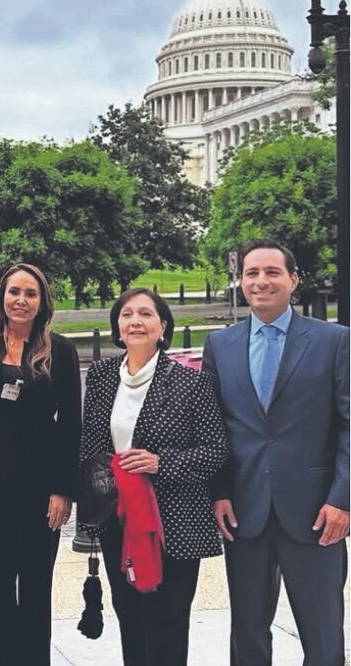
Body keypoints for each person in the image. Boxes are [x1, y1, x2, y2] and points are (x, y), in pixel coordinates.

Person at [202, 240, 349, 666]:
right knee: (247, 634)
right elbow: (214, 429)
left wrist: (342, 499)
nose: (261, 281)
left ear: (293, 280)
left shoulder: (334, 341)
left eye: (272, 272)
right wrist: (219, 492)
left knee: (322, 635)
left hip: (317, 514)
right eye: (252, 273)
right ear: (241, 280)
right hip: (244, 513)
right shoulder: (220, 345)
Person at [78, 288, 228, 666]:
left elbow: (216, 451)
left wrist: (162, 462)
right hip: (118, 520)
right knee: (129, 616)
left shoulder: (190, 383)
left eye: (146, 314)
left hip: (172, 522)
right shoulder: (100, 376)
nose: (135, 322)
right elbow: (88, 445)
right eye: (127, 314)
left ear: (163, 327)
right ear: (117, 326)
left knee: (167, 621)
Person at [0, 263, 80, 666]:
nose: (21, 300)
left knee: (36, 586)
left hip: (40, 489)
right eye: (14, 292)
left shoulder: (62, 351)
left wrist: (62, 489)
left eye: (30, 294)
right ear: (2, 297)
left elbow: (72, 424)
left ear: (42, 301)